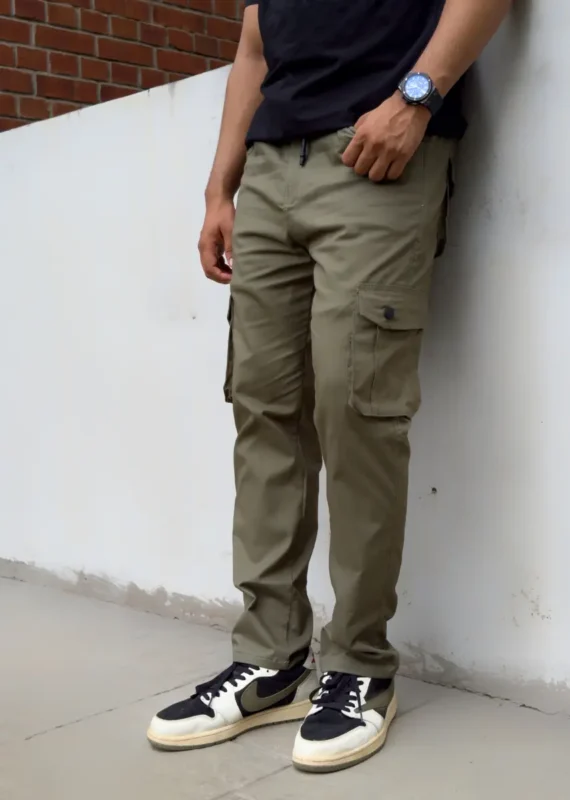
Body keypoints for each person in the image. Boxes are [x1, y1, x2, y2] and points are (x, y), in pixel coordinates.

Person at [147, 0, 512, 773]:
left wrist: (416, 98)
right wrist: (219, 190)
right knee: (264, 411)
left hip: (375, 155)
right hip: (271, 169)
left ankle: (359, 665)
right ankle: (270, 659)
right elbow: (254, 44)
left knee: (357, 409)